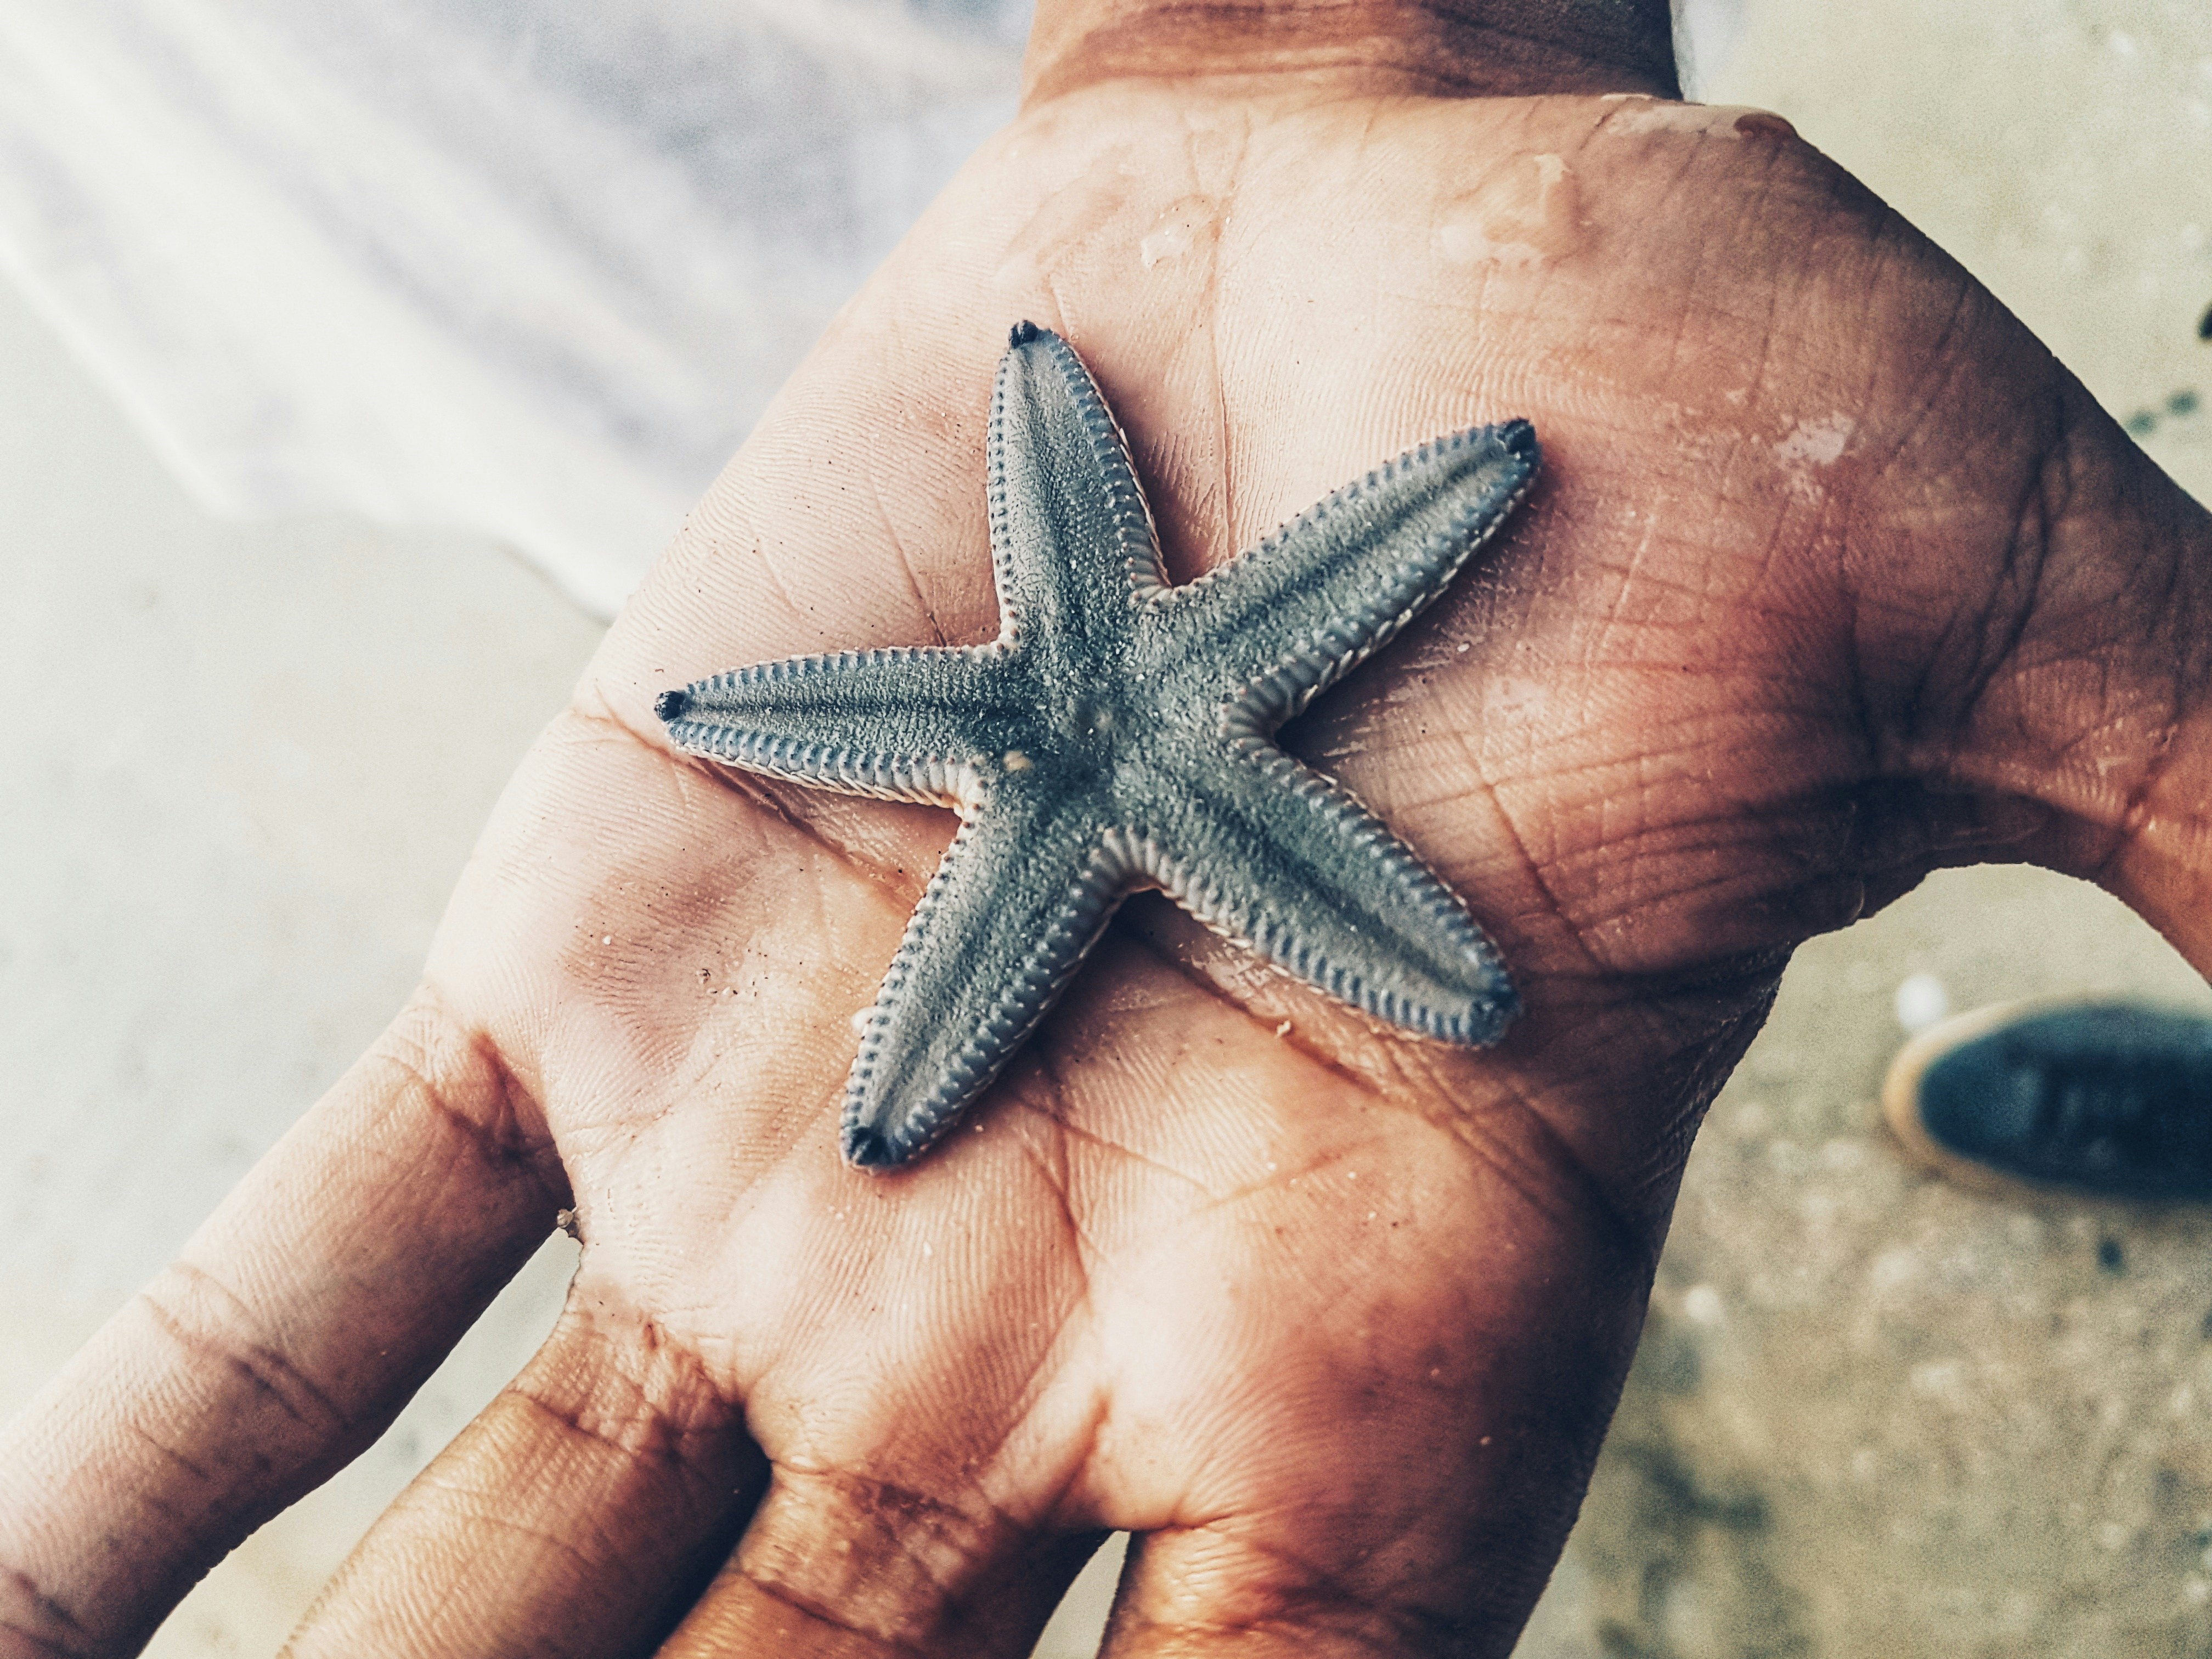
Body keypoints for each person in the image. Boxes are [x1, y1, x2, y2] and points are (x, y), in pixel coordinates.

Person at [3, 1, 2207, 1654]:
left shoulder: (1081, 537)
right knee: (646, 534)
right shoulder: (919, 621)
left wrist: (1341, 41)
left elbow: (1277, 546)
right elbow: (758, 689)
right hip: (460, 278)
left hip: (1114, 193)